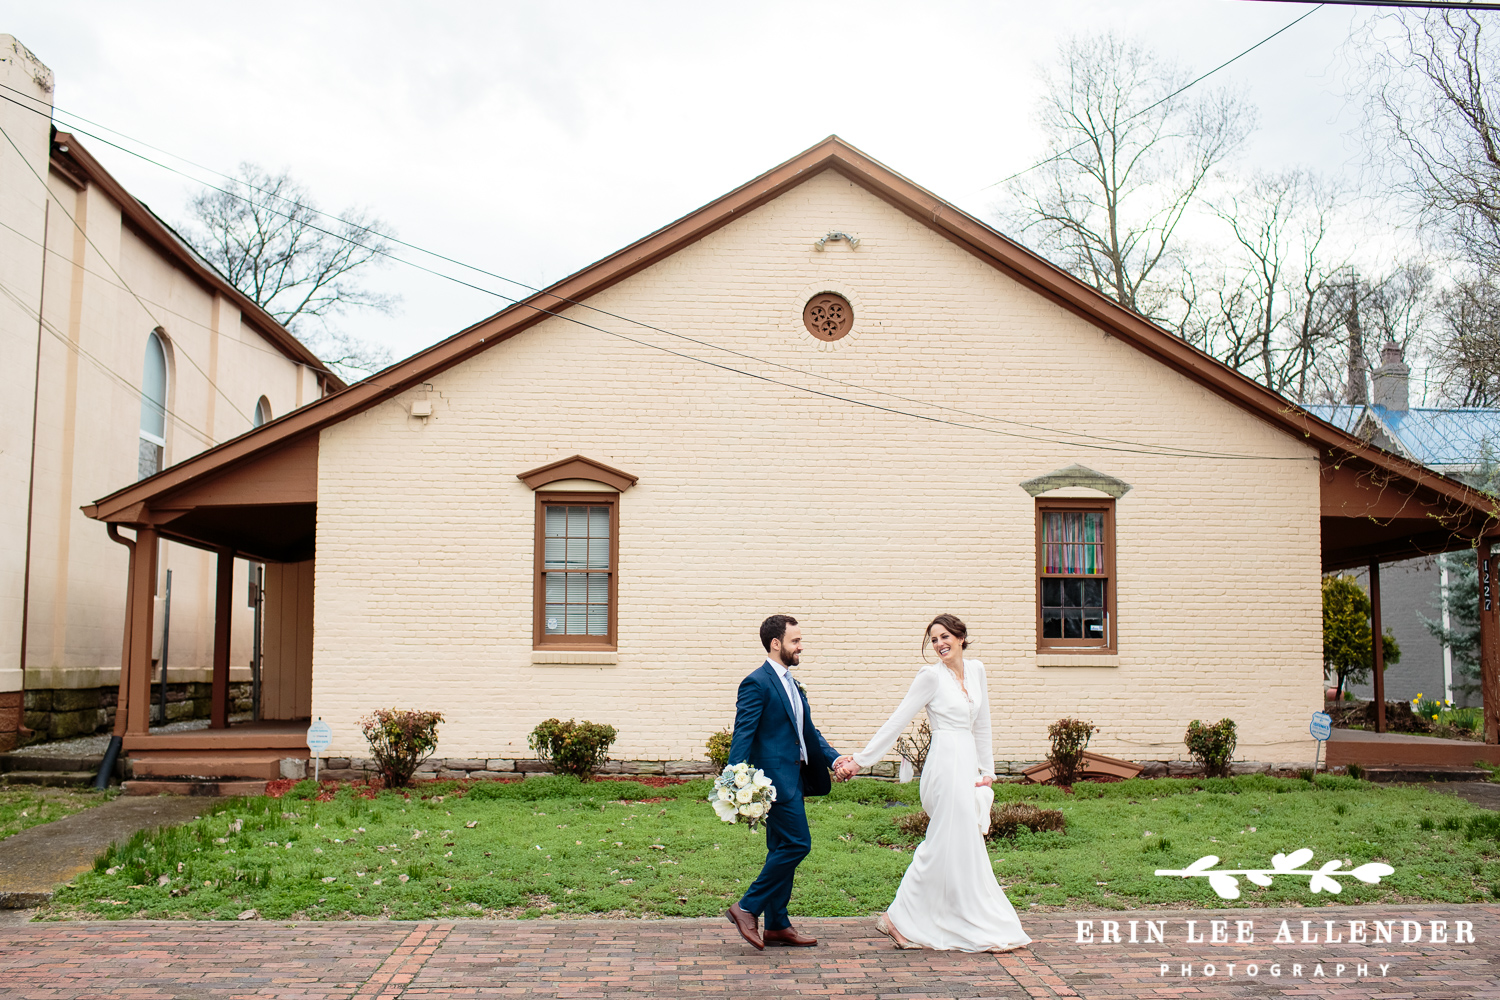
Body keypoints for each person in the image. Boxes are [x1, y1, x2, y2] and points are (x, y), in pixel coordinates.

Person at [835, 613, 1031, 953]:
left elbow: (981, 724)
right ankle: (896, 919)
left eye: (945, 637)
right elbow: (897, 720)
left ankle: (956, 917)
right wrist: (861, 759)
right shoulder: (930, 677)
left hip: (967, 763)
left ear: (961, 637)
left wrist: (987, 771)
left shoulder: (978, 671)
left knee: (963, 846)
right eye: (934, 639)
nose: (939, 644)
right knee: (941, 842)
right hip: (944, 765)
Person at [724, 614, 846, 949]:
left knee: (781, 848)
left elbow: (808, 734)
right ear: (776, 643)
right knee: (797, 844)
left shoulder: (792, 683)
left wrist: (834, 759)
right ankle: (747, 907)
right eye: (795, 641)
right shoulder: (757, 683)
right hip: (772, 783)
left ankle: (777, 925)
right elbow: (743, 735)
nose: (801, 646)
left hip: (795, 779)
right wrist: (736, 782)